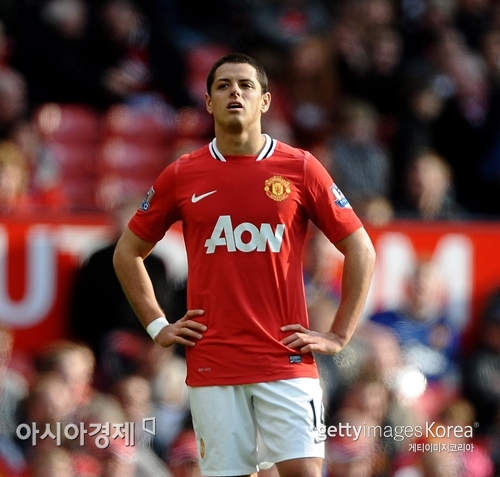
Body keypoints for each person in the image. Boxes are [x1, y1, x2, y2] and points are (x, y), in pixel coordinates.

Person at [113, 52, 376, 477]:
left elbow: (361, 248)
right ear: (209, 102)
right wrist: (158, 325)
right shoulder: (183, 174)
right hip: (214, 362)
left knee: (305, 473)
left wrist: (340, 335)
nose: (235, 91)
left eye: (246, 85)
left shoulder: (300, 168)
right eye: (223, 85)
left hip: (285, 358)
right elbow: (127, 252)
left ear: (265, 101)